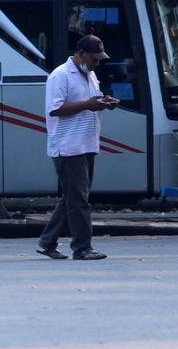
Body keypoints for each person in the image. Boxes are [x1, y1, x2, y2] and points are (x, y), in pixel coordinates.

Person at [37, 34, 119, 261]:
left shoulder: (90, 75)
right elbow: (55, 109)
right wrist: (88, 105)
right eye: (94, 58)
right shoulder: (60, 75)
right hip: (68, 145)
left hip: (87, 143)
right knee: (78, 200)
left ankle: (47, 242)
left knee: (73, 197)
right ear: (81, 54)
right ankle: (82, 248)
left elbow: (91, 102)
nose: (97, 63)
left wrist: (104, 102)